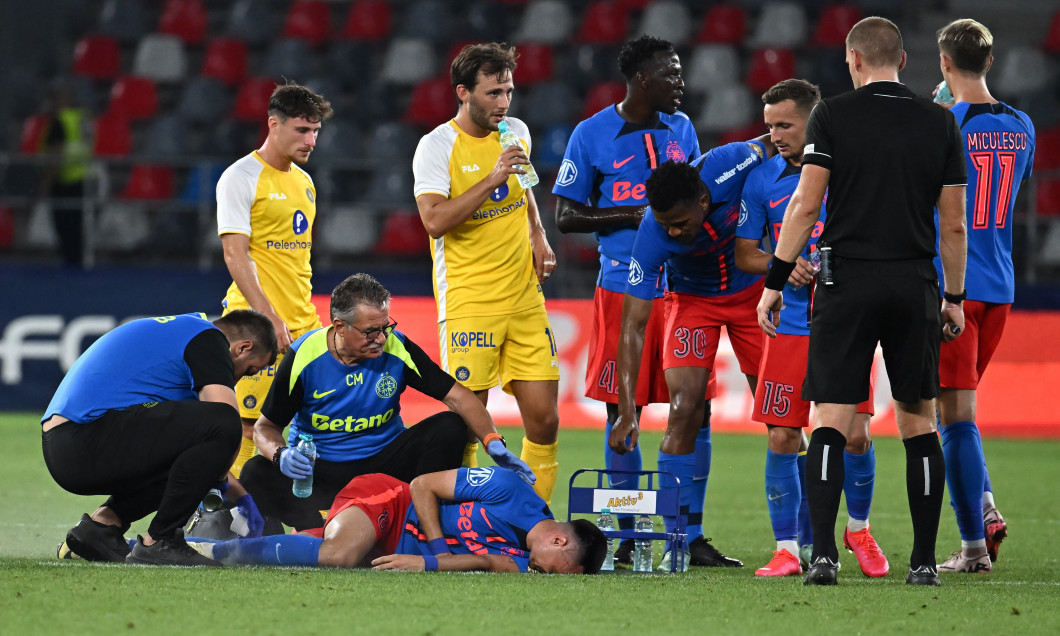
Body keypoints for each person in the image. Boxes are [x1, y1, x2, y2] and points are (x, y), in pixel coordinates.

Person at [756, 17, 967, 587]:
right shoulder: (941, 122)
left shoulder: (833, 115)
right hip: (913, 281)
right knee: (919, 422)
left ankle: (822, 555)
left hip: (846, 281)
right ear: (901, 59)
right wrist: (953, 296)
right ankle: (923, 562)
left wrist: (775, 280)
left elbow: (804, 204)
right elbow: (953, 225)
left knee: (828, 418)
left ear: (853, 59)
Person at [551, 35, 703, 566]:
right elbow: (566, 216)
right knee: (625, 410)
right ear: (643, 79)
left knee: (694, 408)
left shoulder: (683, 130)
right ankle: (628, 533)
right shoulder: (591, 134)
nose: (681, 84)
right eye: (672, 74)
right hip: (621, 284)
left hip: (683, 288)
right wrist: (632, 217)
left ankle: (688, 535)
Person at [239, 273, 535, 532]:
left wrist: (492, 440)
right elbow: (266, 428)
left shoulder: (398, 347)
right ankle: (316, 532)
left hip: (386, 466)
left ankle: (417, 524)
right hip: (322, 470)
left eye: (385, 327)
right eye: (370, 331)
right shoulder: (304, 357)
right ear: (340, 326)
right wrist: (282, 456)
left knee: (450, 426)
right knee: (255, 472)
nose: (380, 339)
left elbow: (458, 395)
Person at [735, 79, 886, 578]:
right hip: (791, 326)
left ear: (813, 120)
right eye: (770, 125)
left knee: (857, 437)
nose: (775, 134)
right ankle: (786, 549)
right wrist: (783, 264)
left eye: (785, 124)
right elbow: (746, 254)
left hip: (846, 324)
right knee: (782, 436)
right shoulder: (761, 181)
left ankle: (859, 530)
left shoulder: (850, 172)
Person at [610, 134, 778, 571]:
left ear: (704, 199)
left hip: (753, 296)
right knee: (684, 408)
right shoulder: (652, 234)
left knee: (781, 414)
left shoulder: (732, 162)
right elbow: (632, 325)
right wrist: (627, 409)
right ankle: (680, 539)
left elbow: (781, 140)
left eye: (680, 222)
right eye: (665, 223)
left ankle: (798, 541)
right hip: (691, 302)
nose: (672, 232)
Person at [412, 43, 561, 503]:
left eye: (509, 92)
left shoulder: (516, 131)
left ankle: (531, 518)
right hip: (470, 300)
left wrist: (538, 233)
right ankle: (466, 521)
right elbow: (434, 220)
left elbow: (525, 183)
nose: (504, 103)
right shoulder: (436, 147)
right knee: (466, 423)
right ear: (464, 92)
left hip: (523, 297)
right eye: (494, 93)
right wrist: (491, 179)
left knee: (545, 419)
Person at [41, 310, 278, 566]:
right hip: (84, 438)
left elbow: (203, 456)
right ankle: (161, 541)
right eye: (250, 369)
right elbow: (227, 424)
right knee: (224, 420)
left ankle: (102, 527)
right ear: (243, 347)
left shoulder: (181, 340)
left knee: (194, 451)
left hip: (71, 444)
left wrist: (235, 492)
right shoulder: (208, 338)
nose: (242, 378)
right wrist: (240, 496)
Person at [931, 19, 1034, 574]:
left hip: (954, 286)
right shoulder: (1023, 124)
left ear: (944, 63)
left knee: (953, 417)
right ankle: (986, 507)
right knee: (958, 415)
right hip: (1002, 286)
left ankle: (973, 547)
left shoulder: (941, 125)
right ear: (989, 62)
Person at [217, 82, 334, 478]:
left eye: (316, 131)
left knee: (310, 424)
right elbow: (236, 253)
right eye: (302, 130)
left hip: (303, 323)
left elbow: (295, 261)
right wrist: (268, 319)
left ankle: (300, 510)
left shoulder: (304, 182)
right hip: (254, 324)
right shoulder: (241, 176)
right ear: (273, 124)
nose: (311, 140)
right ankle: (233, 515)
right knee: (249, 425)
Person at [189, 467, 606, 574]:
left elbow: (486, 561)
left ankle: (223, 524)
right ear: (559, 544)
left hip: (387, 544)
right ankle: (208, 550)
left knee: (311, 545)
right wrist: (438, 548)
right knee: (337, 556)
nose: (550, 575)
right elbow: (423, 484)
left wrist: (424, 563)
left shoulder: (526, 562)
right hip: (392, 500)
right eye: (562, 571)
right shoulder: (508, 489)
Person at [35, 80, 91, 268]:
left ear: (62, 99)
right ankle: (79, 260)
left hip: (65, 179)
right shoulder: (82, 118)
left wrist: (47, 182)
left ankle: (71, 263)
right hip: (83, 176)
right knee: (77, 225)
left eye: (54, 98)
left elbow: (55, 155)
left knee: (65, 225)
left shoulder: (60, 121)